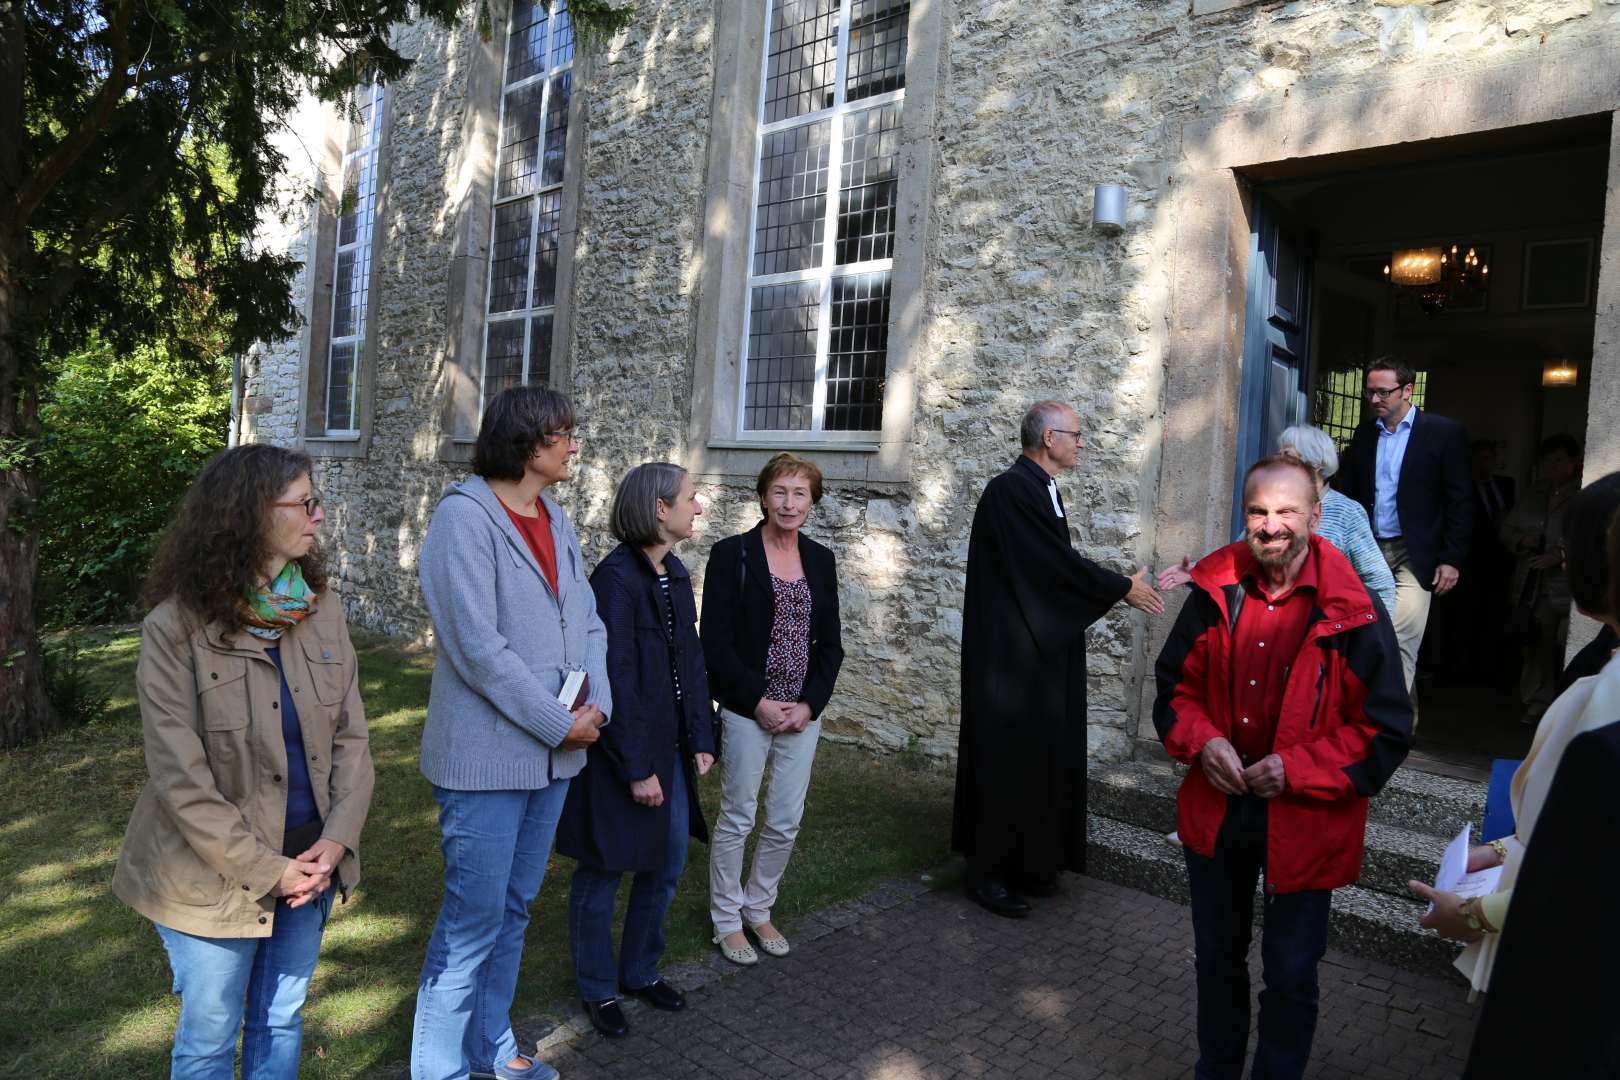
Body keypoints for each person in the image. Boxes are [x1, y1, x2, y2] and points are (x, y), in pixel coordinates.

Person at [112, 444, 375, 1080]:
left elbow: (353, 741)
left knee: (281, 1020)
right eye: (304, 503)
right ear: (251, 515)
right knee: (209, 1039)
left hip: (311, 862)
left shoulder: (322, 609)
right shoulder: (174, 629)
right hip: (215, 876)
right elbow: (182, 779)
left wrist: (335, 844)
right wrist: (271, 871)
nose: (318, 516)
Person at [1154, 455, 1412, 1080]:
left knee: (1292, 972)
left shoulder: (1355, 610)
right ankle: (1215, 1070)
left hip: (1306, 817)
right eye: (1258, 512)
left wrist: (1294, 770)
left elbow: (1383, 733)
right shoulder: (1216, 592)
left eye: (1287, 511)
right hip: (1220, 808)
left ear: (1317, 516)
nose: (1271, 526)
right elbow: (1171, 694)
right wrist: (1202, 740)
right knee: (1216, 958)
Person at [411, 386, 610, 1080]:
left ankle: (491, 1052)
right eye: (564, 434)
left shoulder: (554, 516)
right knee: (470, 927)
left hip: (551, 764)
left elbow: (588, 620)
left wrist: (598, 707)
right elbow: (476, 648)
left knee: (514, 912)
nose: (574, 446)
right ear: (530, 443)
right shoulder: (462, 520)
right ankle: (440, 1071)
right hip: (485, 763)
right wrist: (561, 723)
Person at [1403, 473, 1620, 1077]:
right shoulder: (1604, 656)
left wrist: (1470, 917)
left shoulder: (1607, 707)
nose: (1567, 556)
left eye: (1578, 543)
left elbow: (1585, 880)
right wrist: (1498, 848)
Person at [953, 400, 1164, 918]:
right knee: (1005, 756)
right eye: (1076, 434)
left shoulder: (1041, 488)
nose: (1082, 442)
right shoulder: (1010, 490)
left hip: (1037, 652)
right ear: (1049, 438)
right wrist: (1120, 588)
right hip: (1009, 657)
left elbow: (1055, 567)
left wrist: (1114, 586)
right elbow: (1049, 567)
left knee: (1037, 754)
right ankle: (988, 873)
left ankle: (1028, 862)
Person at [556, 463, 718, 1039]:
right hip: (624, 753)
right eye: (691, 498)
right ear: (659, 508)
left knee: (668, 861)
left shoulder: (674, 572)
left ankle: (640, 972)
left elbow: (689, 663)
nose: (697, 508)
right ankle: (599, 990)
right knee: (605, 869)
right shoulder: (614, 580)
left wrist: (701, 735)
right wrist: (636, 767)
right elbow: (615, 679)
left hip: (669, 747)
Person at [701, 453, 844, 965]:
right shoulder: (732, 554)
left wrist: (809, 705)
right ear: (762, 497)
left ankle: (758, 909)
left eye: (799, 493)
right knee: (738, 816)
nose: (789, 503)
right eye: (779, 492)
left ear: (812, 502)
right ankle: (725, 920)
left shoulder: (821, 560)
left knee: (784, 820)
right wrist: (756, 702)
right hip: (747, 710)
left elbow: (831, 646)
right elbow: (713, 645)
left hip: (801, 715)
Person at [1336, 357, 1473, 724]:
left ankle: (1378, 727)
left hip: (1417, 552)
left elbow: (1460, 500)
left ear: (1407, 390)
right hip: (1369, 549)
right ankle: (1403, 722)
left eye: (1383, 391)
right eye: (1370, 392)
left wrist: (1452, 558)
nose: (1374, 399)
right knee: (1369, 634)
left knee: (1399, 639)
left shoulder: (1443, 433)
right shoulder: (1366, 435)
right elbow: (1347, 493)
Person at [1157, 428, 1396, 617]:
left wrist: (1364, 636)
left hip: (1321, 631)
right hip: (1267, 624)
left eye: (1287, 455)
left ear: (1314, 463)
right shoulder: (1270, 503)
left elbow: (1380, 583)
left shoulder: (1348, 512)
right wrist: (1197, 572)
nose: (1277, 461)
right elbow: (1239, 558)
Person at [1502, 434, 1583, 723]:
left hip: (1569, 586)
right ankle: (1537, 702)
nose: (1553, 467)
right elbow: (1507, 529)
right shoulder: (1534, 493)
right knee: (1536, 644)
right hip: (1532, 585)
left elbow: (1594, 537)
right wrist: (1522, 540)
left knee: (1567, 645)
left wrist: (1561, 554)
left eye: (1559, 460)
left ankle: (1567, 707)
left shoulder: (1584, 492)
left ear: (1574, 462)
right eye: (1548, 461)